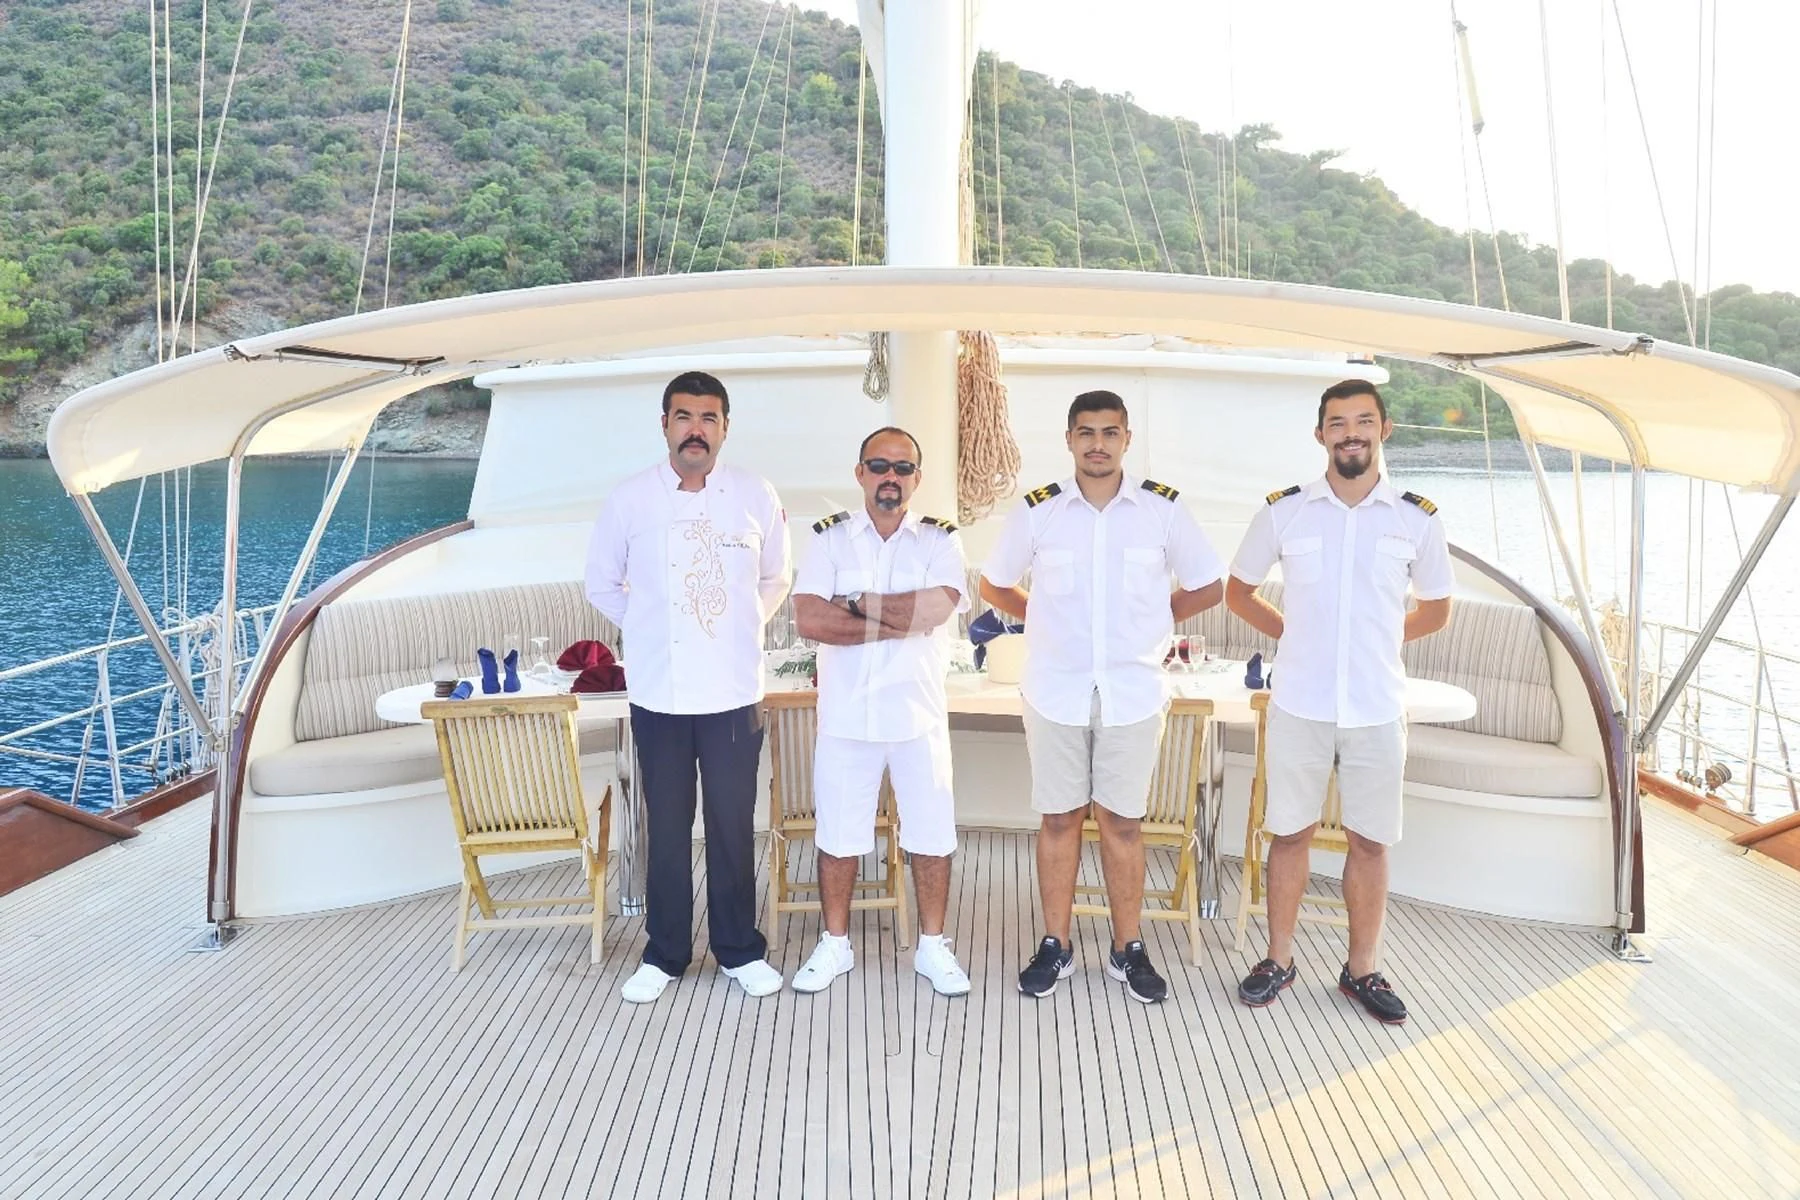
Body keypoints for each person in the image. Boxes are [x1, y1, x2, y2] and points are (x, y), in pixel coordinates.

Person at [980, 390, 1225, 1004]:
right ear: (1068, 440)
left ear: (1126, 440)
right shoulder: (1040, 511)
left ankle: (1126, 950)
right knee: (1059, 818)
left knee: (1121, 822)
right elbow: (992, 582)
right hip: (1055, 688)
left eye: (1109, 432)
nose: (1097, 444)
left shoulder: (1162, 510)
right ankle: (1057, 947)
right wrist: (1040, 617)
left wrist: (1155, 619)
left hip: (1133, 689)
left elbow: (1209, 584)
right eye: (1086, 432)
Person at [1226, 378, 1453, 1025]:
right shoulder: (1284, 511)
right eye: (1337, 422)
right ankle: (1278, 958)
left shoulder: (1417, 517)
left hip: (1377, 705)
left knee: (1371, 842)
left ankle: (1361, 969)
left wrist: (1379, 639)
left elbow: (1436, 609)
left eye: (1362, 421)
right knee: (1290, 832)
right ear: (1320, 434)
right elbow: (1238, 592)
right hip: (1299, 700)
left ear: (1384, 429)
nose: (1349, 432)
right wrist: (1292, 633)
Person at [585, 370, 792, 1004]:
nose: (695, 429)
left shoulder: (755, 494)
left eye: (708, 418)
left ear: (725, 427)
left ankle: (738, 949)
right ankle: (665, 952)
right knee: (667, 827)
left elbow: (776, 579)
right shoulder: (629, 499)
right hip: (660, 693)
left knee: (732, 825)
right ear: (665, 425)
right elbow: (601, 585)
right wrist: (655, 630)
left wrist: (730, 628)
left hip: (734, 691)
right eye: (683, 417)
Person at [789, 426, 973, 996]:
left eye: (901, 468)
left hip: (918, 715)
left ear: (917, 478)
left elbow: (936, 612)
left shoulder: (941, 540)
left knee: (931, 834)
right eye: (878, 465)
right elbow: (810, 621)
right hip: (848, 716)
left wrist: (857, 605)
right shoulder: (829, 539)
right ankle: (835, 944)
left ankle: (933, 947)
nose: (889, 477)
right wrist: (896, 619)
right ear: (860, 473)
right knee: (839, 834)